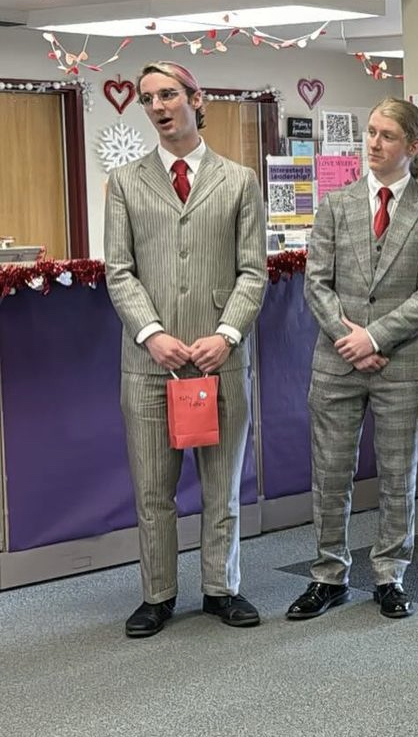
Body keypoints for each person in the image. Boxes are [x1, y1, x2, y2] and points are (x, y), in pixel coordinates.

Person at [105, 61, 266, 637]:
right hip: (150, 365)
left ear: (196, 100)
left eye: (168, 94)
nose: (157, 106)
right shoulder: (125, 182)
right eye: (148, 99)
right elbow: (119, 272)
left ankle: (223, 589)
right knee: (154, 491)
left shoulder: (239, 180)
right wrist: (152, 333)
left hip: (219, 362)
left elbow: (254, 272)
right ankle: (158, 594)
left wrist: (226, 335)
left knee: (221, 488)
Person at [287, 97, 418, 621]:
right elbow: (316, 284)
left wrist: (375, 339)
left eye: (387, 136)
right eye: (372, 134)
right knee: (330, 473)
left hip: (399, 363)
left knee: (398, 475)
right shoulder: (336, 206)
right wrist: (348, 338)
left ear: (413, 146)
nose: (375, 144)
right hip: (336, 362)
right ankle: (328, 575)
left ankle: (389, 575)